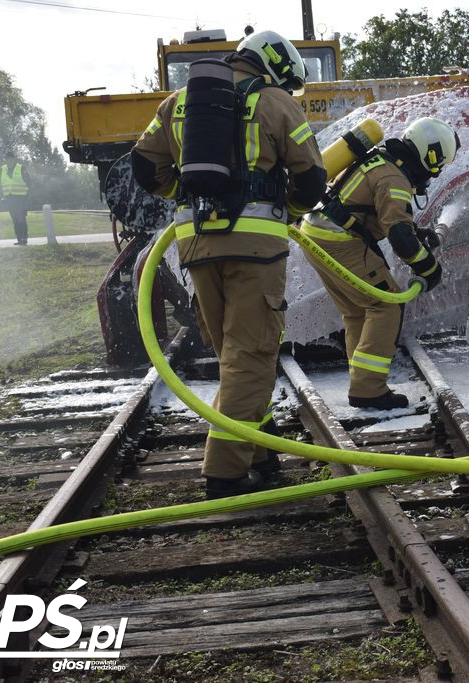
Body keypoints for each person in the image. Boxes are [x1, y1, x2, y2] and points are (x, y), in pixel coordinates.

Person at [131, 30, 326, 499]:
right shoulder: (276, 101)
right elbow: (312, 177)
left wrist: (183, 199)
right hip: (255, 247)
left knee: (233, 354)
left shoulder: (179, 102)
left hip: (195, 244)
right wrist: (290, 211)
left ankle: (259, 451)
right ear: (274, 63)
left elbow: (142, 166)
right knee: (252, 353)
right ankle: (224, 471)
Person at [300, 117, 458, 410]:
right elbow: (399, 237)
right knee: (386, 305)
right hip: (339, 240)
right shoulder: (394, 177)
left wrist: (417, 234)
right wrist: (428, 268)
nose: (434, 174)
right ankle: (369, 390)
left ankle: (362, 381)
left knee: (359, 310)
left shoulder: (382, 161)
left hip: (316, 232)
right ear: (429, 155)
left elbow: (384, 217)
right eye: (437, 166)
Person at [0, 153, 31, 245]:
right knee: (15, 220)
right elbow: (1, 184)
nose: (9, 160)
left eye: (11, 159)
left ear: (14, 159)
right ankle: (19, 239)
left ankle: (24, 239)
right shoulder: (2, 169)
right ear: (5, 160)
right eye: (7, 159)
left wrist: (26, 197)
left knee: (21, 219)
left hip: (20, 198)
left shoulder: (21, 168)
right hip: (9, 199)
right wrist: (3, 196)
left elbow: (29, 183)